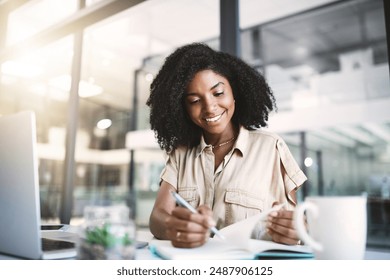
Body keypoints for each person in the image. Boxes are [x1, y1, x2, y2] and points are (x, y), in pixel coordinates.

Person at [146, 43, 307, 248]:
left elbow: (295, 224)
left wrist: (294, 230)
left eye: (218, 93)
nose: (210, 107)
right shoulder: (181, 153)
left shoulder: (271, 147)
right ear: (182, 107)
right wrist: (173, 227)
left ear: (235, 92)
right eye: (195, 100)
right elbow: (158, 216)